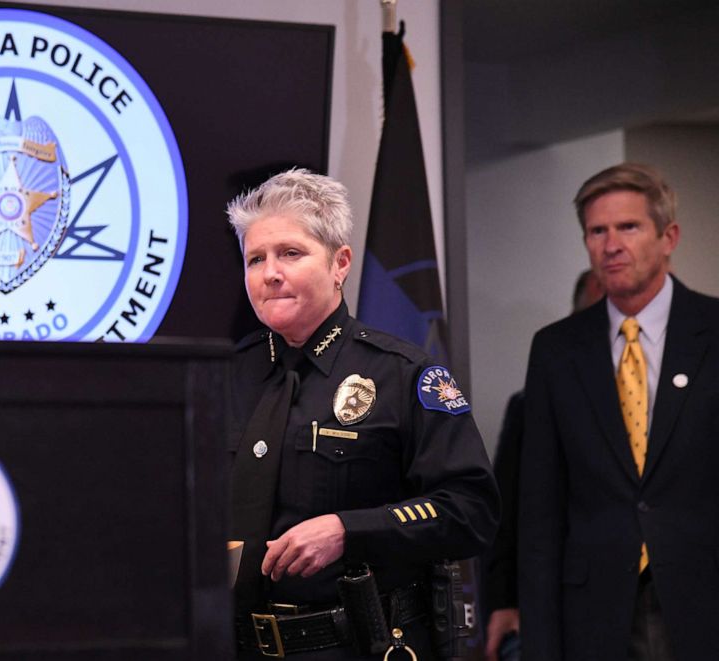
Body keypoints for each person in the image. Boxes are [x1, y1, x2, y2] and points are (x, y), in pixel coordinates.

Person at [227, 168, 499, 659]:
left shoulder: (402, 373)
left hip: (358, 646)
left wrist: (349, 531)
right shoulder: (222, 376)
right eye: (255, 259)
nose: (270, 272)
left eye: (291, 253)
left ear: (340, 263)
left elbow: (472, 509)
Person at [519, 163, 719, 660]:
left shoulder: (715, 331)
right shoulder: (555, 350)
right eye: (596, 231)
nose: (610, 245)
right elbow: (540, 509)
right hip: (595, 612)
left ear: (668, 236)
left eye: (628, 227)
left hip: (703, 600)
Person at [484, 270, 604, 661]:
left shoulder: (669, 398)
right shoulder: (532, 403)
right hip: (557, 604)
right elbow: (509, 512)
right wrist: (503, 601)